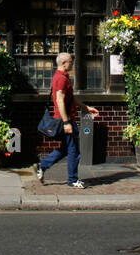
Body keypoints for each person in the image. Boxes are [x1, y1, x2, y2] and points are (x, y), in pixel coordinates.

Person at [34, 53, 99, 188]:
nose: (72, 63)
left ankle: (43, 165)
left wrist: (86, 107)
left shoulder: (63, 77)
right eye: (70, 61)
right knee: (74, 151)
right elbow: (59, 100)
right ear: (63, 63)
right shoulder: (61, 79)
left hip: (67, 119)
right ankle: (73, 179)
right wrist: (66, 122)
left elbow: (71, 98)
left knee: (66, 149)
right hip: (66, 120)